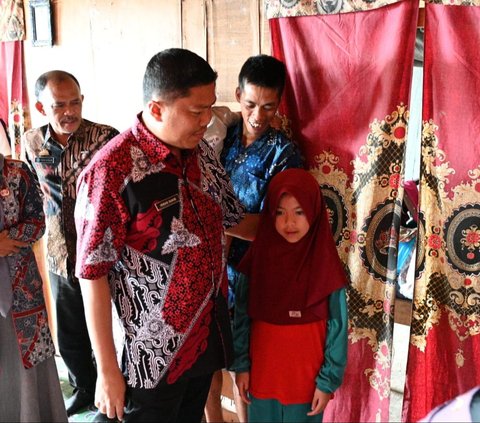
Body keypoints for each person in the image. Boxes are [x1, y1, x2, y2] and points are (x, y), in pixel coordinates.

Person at [74, 48, 256, 422]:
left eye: (210, 107)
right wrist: (107, 371)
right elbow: (92, 273)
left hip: (204, 338)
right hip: (150, 356)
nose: (207, 120)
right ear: (156, 109)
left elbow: (233, 218)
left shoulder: (200, 153)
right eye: (196, 111)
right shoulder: (112, 170)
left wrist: (305, 232)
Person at [207, 54, 303, 422]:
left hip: (251, 275)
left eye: (268, 106)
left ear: (279, 103)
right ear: (237, 95)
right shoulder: (221, 136)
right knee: (207, 362)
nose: (258, 116)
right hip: (208, 270)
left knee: (244, 366)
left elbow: (274, 225)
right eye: (249, 104)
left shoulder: (284, 154)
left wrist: (215, 222)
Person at [21, 70, 120, 416]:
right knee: (71, 337)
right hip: (60, 255)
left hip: (105, 257)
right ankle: (84, 390)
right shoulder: (31, 142)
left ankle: (119, 394)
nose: (69, 111)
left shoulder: (106, 138)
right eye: (59, 105)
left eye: (75, 102)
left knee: (111, 333)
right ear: (41, 107)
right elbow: (31, 192)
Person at [232, 168, 348, 422]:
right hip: (262, 381)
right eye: (280, 213)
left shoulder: (326, 268)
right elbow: (240, 319)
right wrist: (242, 366)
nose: (289, 223)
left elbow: (338, 328)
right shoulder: (256, 265)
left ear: (314, 212)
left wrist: (327, 382)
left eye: (299, 212)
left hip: (306, 385)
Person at [0, 154, 67, 422]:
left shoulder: (16, 172)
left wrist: (9, 239)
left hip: (22, 290)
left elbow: (38, 219)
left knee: (26, 361)